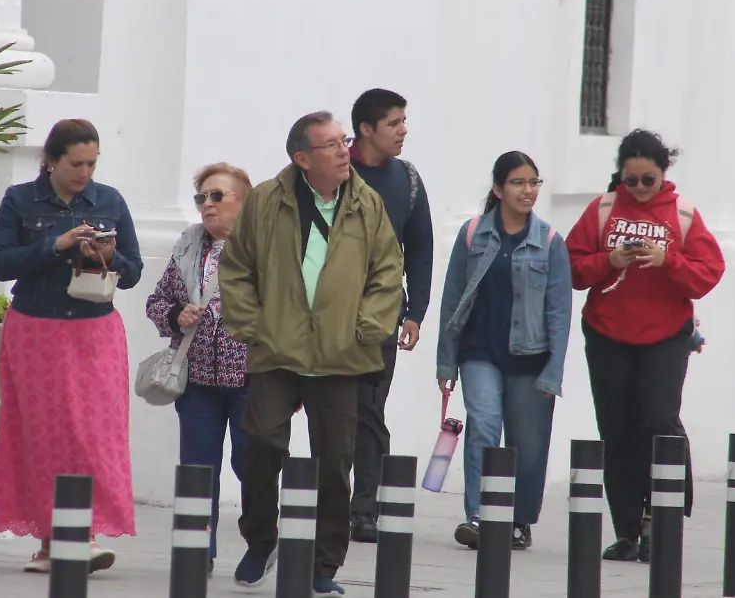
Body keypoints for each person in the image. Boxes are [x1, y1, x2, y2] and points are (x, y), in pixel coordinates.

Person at [217, 111, 403, 596]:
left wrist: (365, 328)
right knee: (260, 443)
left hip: (342, 352)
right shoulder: (265, 200)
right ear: (303, 159)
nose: (344, 151)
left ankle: (324, 563)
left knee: (335, 461)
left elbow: (388, 272)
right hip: (277, 347)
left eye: (344, 141)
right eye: (331, 145)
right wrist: (253, 325)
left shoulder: (367, 202)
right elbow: (236, 268)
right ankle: (261, 539)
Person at [0, 118, 143, 574]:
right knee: (40, 435)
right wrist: (56, 244)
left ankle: (84, 533)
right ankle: (50, 542)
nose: (85, 173)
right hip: (37, 329)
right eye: (76, 163)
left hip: (95, 330)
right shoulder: (20, 200)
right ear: (51, 160)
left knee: (92, 434)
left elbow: (131, 270)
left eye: (92, 163)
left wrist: (107, 255)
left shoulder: (110, 200)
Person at [564, 129, 725, 562]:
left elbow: (707, 273)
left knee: (657, 420)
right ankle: (628, 529)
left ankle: (662, 517)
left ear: (663, 174)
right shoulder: (601, 210)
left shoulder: (684, 215)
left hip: (665, 336)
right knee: (616, 429)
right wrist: (609, 261)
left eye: (646, 180)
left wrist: (666, 259)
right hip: (607, 334)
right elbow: (571, 268)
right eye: (628, 179)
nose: (636, 188)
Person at [435, 151, 572, 550]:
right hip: (479, 353)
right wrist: (446, 359)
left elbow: (560, 313)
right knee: (483, 424)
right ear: (498, 189)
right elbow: (452, 298)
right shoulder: (473, 233)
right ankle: (478, 515)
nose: (528, 191)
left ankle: (518, 520)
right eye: (518, 183)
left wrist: (554, 371)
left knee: (527, 447)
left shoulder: (549, 241)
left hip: (532, 357)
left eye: (534, 182)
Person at [144, 162, 254, 574]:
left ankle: (261, 544)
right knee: (197, 469)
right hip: (197, 384)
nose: (207, 205)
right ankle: (197, 551)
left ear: (244, 204)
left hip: (251, 380)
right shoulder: (190, 248)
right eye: (201, 198)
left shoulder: (266, 250)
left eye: (217, 196)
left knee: (253, 466)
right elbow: (155, 303)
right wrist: (176, 316)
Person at [346, 88, 434, 543]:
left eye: (404, 121)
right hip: (328, 315)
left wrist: (415, 312)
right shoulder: (332, 172)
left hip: (382, 315)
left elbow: (419, 249)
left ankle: (364, 509)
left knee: (370, 408)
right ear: (366, 129)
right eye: (394, 123)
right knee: (333, 409)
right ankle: (326, 498)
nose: (403, 131)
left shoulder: (408, 179)